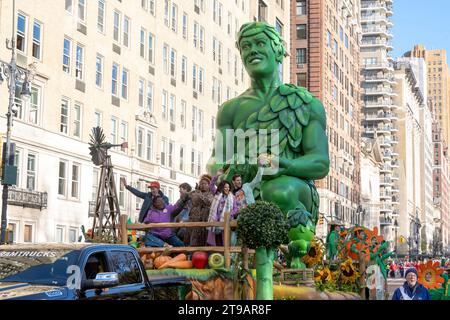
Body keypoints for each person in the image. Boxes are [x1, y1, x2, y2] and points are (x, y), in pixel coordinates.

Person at [206, 21, 329, 268]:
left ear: (278, 51)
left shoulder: (305, 103)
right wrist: (224, 171)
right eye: (246, 46)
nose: (252, 50)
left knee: (278, 190)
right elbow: (216, 159)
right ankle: (243, 263)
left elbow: (320, 162)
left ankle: (292, 258)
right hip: (244, 188)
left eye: (260, 44)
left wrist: (284, 165)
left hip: (293, 188)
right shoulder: (229, 110)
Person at [185, 175, 215, 246]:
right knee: (192, 238)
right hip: (194, 219)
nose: (203, 185)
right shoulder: (195, 192)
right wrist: (196, 192)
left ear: (209, 185)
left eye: (205, 184)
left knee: (203, 238)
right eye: (201, 184)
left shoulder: (211, 194)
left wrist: (199, 194)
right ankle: (191, 254)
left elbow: (208, 202)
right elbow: (190, 198)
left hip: (205, 219)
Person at [207, 180, 238, 246]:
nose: (227, 189)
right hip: (216, 221)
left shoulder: (232, 197)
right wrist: (217, 176)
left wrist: (229, 214)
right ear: (222, 188)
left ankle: (224, 255)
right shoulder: (217, 194)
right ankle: (217, 254)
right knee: (216, 240)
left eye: (228, 187)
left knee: (224, 241)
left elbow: (235, 209)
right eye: (225, 187)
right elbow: (211, 186)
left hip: (226, 221)